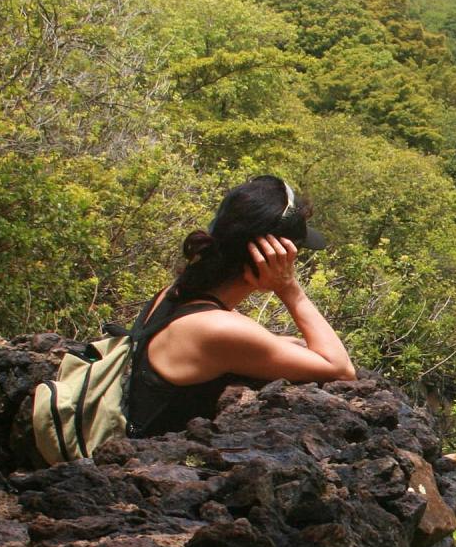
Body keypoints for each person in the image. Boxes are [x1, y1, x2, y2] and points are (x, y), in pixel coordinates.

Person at [125, 175, 355, 439]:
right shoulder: (217, 328)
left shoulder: (175, 294)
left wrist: (276, 343)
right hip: (150, 460)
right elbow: (341, 369)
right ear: (271, 257)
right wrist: (289, 289)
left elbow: (236, 345)